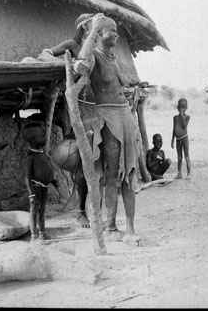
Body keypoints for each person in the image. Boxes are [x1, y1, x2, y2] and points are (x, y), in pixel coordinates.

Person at [74, 14, 140, 243]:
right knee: (112, 175)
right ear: (100, 34)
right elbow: (80, 62)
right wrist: (92, 30)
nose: (116, 34)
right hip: (109, 116)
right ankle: (111, 228)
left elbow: (120, 84)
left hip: (124, 115)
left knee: (129, 174)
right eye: (111, 30)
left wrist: (129, 91)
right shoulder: (93, 56)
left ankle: (130, 228)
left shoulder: (112, 58)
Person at [38, 13, 102, 229]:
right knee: (83, 162)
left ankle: (96, 210)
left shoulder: (98, 49)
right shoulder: (73, 45)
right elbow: (44, 54)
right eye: (89, 25)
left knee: (98, 163)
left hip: (99, 111)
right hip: (78, 111)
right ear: (83, 27)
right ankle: (81, 212)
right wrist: (69, 65)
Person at [23, 122, 58, 243]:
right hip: (35, 188)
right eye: (43, 135)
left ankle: (42, 234)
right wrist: (31, 194)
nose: (46, 138)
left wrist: (52, 180)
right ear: (33, 139)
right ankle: (34, 236)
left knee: (42, 210)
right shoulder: (30, 158)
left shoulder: (42, 153)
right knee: (34, 212)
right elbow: (27, 177)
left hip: (44, 187)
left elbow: (45, 168)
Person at [171, 98, 191, 180]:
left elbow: (184, 126)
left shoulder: (187, 117)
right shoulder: (175, 117)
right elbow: (174, 128)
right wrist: (172, 140)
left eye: (183, 107)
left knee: (186, 155)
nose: (181, 109)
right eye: (180, 107)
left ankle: (189, 173)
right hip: (177, 139)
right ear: (177, 107)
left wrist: (182, 116)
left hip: (184, 138)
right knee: (179, 157)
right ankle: (179, 173)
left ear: (186, 108)